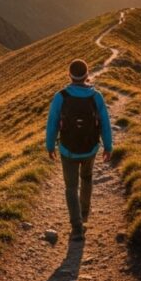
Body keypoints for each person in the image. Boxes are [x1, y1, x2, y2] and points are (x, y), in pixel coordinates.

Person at [45, 59, 113, 241]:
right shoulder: (96, 97)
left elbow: (52, 123)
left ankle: (77, 228)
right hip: (90, 148)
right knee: (87, 178)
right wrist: (108, 146)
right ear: (87, 75)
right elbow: (105, 124)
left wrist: (50, 146)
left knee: (71, 187)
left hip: (67, 150)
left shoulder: (61, 96)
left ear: (69, 75)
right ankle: (84, 214)